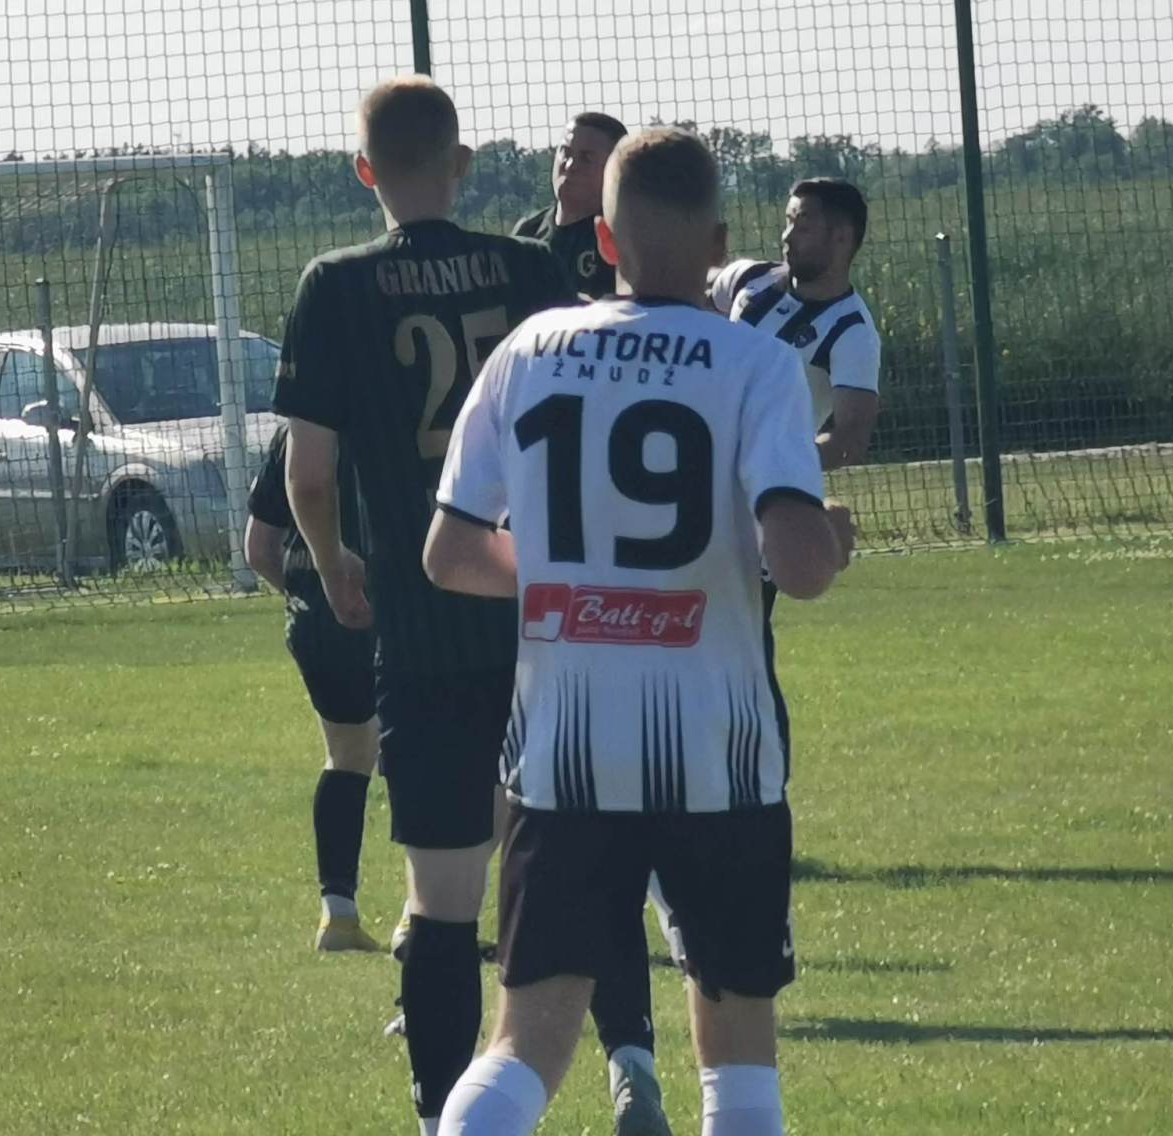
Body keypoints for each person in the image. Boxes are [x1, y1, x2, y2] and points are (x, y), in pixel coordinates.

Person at [423, 127, 855, 1136]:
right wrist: (830, 539)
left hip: (566, 751)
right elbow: (797, 566)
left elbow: (447, 553)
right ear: (719, 244)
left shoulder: (528, 353)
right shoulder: (756, 364)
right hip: (718, 751)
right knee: (740, 1060)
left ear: (606, 242)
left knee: (522, 1047)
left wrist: (575, 581)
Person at [270, 75, 577, 1136]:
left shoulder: (336, 286)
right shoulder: (531, 270)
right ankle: (631, 1072)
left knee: (442, 903)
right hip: (544, 622)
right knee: (565, 876)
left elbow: (309, 474)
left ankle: (443, 1116)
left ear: (365, 171)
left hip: (425, 629)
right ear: (463, 163)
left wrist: (333, 564)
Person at [244, 424, 382, 953]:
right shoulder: (398, 411)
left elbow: (259, 547)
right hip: (392, 602)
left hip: (314, 619)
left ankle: (338, 912)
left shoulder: (295, 432)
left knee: (347, 754)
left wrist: (313, 593)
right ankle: (423, 915)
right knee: (426, 753)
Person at [709, 178, 882, 468]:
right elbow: (690, 308)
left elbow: (849, 442)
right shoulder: (749, 278)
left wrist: (779, 464)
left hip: (756, 487)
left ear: (841, 238)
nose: (787, 237)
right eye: (788, 222)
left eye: (803, 228)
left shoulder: (852, 333)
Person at [513, 112, 629, 299]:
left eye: (587, 158)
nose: (570, 165)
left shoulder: (620, 238)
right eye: (565, 152)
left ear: (614, 168)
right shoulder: (528, 232)